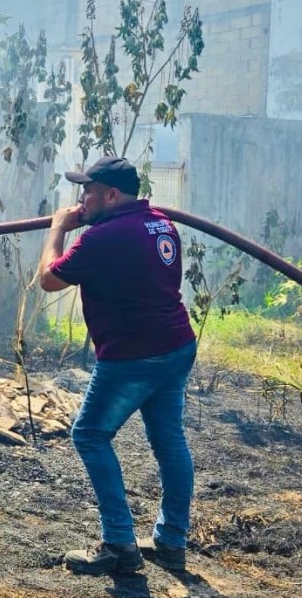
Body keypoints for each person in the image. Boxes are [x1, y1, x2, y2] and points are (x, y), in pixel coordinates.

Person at [38, 156, 197, 575]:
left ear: (111, 195)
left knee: (89, 434)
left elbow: (50, 279)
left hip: (134, 353)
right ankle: (171, 542)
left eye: (88, 191)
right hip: (177, 344)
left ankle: (119, 544)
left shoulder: (104, 237)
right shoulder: (162, 224)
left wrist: (58, 227)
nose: (81, 198)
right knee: (170, 440)